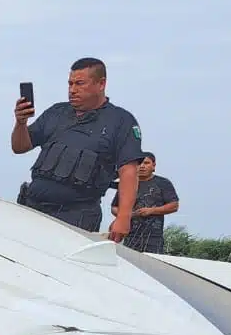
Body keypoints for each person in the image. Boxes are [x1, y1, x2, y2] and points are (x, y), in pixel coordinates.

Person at [12, 57, 143, 239]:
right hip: (32, 210)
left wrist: (123, 217)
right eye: (70, 84)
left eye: (80, 84)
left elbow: (129, 171)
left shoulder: (121, 121)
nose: (73, 90)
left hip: (76, 216)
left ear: (101, 84)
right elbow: (19, 147)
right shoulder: (56, 113)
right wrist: (20, 122)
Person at [109, 152, 178, 253]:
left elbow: (174, 206)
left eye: (146, 163)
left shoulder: (163, 183)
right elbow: (114, 208)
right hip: (129, 236)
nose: (142, 166)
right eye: (139, 163)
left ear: (153, 166)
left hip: (153, 238)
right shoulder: (127, 183)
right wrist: (130, 214)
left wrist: (152, 210)